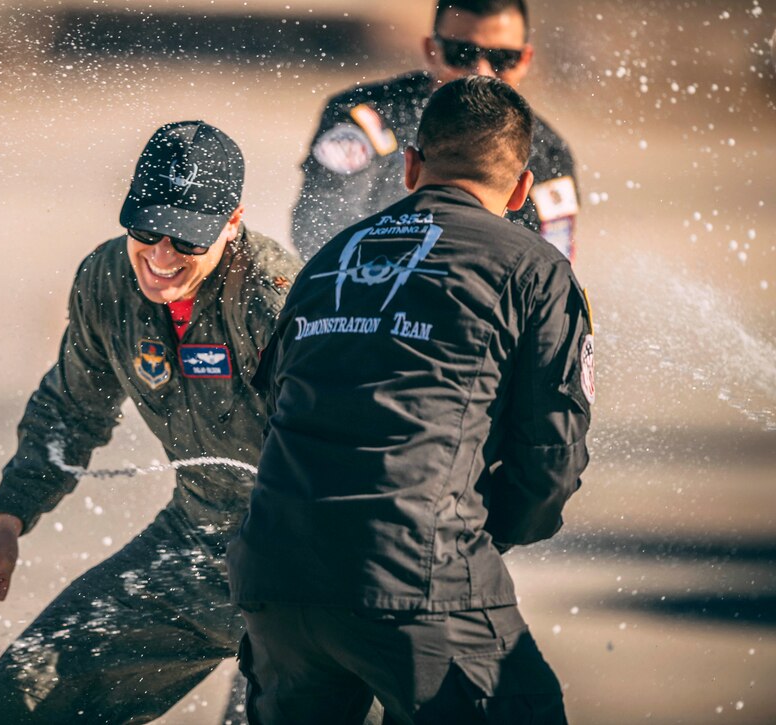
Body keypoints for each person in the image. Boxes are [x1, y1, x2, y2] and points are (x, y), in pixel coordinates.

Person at [228, 76, 593, 724]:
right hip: (417, 575)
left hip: (276, 579)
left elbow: (274, 415)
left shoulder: (329, 260)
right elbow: (551, 460)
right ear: (519, 190)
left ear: (411, 167)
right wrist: (478, 533)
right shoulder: (533, 269)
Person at [0, 121, 303, 724]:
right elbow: (70, 410)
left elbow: (352, 453)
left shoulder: (276, 298)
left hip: (302, 567)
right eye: (146, 227)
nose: (160, 256)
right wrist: (8, 519)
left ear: (231, 221)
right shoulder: (107, 280)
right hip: (194, 546)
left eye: (186, 240)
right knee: (16, 705)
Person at [292, 0, 579, 262]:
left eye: (503, 58)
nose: (481, 72)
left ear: (526, 59)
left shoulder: (545, 151)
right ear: (432, 50)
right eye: (461, 54)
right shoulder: (366, 115)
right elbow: (319, 228)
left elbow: (550, 266)